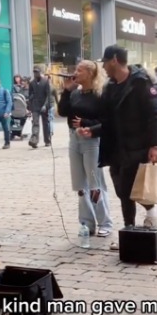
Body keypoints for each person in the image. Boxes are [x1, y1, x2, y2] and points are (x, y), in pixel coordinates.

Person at [92, 45, 157, 250]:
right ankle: (134, 227)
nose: (104, 66)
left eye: (105, 62)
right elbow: (103, 116)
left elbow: (155, 114)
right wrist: (93, 130)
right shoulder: (110, 87)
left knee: (130, 190)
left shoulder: (141, 83)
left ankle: (133, 228)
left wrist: (156, 145)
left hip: (137, 146)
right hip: (115, 148)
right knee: (122, 191)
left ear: (114, 60)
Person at [58, 60, 114, 239]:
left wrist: (86, 124)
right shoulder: (75, 93)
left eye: (79, 70)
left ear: (90, 73)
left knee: (95, 183)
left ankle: (105, 222)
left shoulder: (100, 94)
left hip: (91, 141)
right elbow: (63, 111)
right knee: (79, 185)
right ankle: (86, 223)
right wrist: (66, 90)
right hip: (74, 139)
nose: (75, 73)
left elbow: (105, 121)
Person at [27, 67, 53, 148]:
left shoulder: (45, 81)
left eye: (37, 72)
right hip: (35, 106)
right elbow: (29, 94)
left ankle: (47, 140)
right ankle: (34, 140)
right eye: (34, 72)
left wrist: (45, 105)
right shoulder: (31, 83)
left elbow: (48, 95)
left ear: (40, 72)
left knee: (45, 123)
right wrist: (30, 105)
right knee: (35, 123)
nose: (35, 74)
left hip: (44, 105)